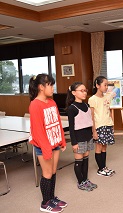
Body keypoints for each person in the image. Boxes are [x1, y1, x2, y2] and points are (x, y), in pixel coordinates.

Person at [28, 74, 67, 213]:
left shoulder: (52, 102)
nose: (52, 87)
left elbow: (57, 123)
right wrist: (46, 149)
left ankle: (51, 198)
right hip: (44, 146)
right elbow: (37, 131)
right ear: (41, 87)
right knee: (47, 173)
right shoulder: (35, 104)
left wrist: (62, 140)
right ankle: (45, 203)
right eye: (50, 85)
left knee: (54, 171)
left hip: (54, 142)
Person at [66, 82, 97, 191]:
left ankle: (85, 179)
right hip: (78, 138)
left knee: (86, 159)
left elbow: (90, 122)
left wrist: (93, 135)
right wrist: (74, 143)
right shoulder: (72, 108)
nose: (84, 93)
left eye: (85, 90)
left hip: (88, 137)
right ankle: (80, 182)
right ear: (74, 93)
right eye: (81, 91)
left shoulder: (87, 105)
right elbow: (71, 127)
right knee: (79, 161)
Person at [88, 76, 115, 177]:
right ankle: (100, 169)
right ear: (97, 86)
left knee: (104, 147)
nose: (107, 87)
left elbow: (109, 111)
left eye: (107, 85)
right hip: (99, 126)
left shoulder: (107, 97)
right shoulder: (92, 99)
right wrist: (93, 130)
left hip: (108, 124)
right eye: (105, 85)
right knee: (99, 147)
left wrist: (112, 124)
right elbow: (91, 116)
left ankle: (104, 167)